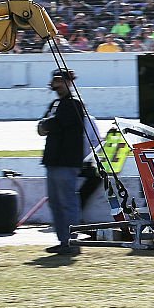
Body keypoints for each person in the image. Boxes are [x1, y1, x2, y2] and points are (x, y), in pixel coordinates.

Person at [37, 69, 88, 256]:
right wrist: (46, 125)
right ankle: (63, 241)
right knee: (56, 203)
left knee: (67, 202)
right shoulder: (55, 104)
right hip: (53, 160)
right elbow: (43, 126)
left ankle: (71, 242)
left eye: (60, 81)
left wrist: (46, 125)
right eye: (55, 80)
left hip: (66, 161)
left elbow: (53, 124)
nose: (56, 84)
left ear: (69, 82)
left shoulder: (74, 104)